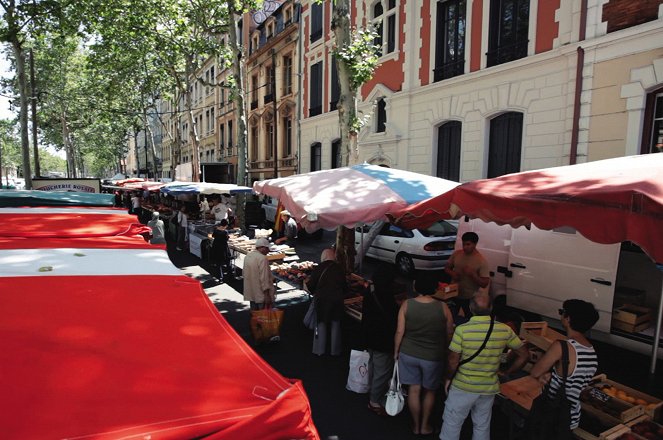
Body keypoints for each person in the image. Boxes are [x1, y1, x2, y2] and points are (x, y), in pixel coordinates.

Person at [440, 294, 529, 440]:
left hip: (463, 386)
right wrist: (506, 372)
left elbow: (452, 361)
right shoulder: (504, 330)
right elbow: (524, 355)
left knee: (452, 423)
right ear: (491, 308)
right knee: (482, 425)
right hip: (488, 388)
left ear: (470, 308)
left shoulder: (462, 330)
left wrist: (448, 378)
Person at [394, 273, 455, 436]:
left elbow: (400, 331)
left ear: (416, 286)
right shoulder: (443, 308)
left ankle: (415, 426)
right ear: (435, 287)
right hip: (433, 356)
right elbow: (450, 333)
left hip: (409, 353)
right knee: (430, 391)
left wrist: (396, 352)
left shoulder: (407, 305)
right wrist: (447, 352)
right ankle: (425, 426)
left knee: (414, 389)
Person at [528, 299, 599, 431]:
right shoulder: (591, 351)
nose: (560, 315)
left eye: (562, 312)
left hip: (552, 415)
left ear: (568, 318)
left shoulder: (562, 347)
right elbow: (573, 379)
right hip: (571, 417)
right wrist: (553, 374)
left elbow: (535, 372)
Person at [362, 266, 399, 416]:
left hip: (369, 336)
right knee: (382, 371)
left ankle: (371, 390)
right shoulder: (389, 298)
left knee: (372, 365)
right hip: (383, 340)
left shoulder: (370, 295)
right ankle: (374, 401)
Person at [306, 250, 346, 356]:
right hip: (337, 300)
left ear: (323, 257)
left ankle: (319, 350)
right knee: (336, 324)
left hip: (322, 300)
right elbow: (345, 286)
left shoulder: (319, 268)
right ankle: (335, 351)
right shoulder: (339, 268)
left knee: (321, 324)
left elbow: (311, 286)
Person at [444, 231, 490, 317]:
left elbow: (484, 284)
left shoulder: (481, 261)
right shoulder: (457, 254)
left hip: (469, 298)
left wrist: (473, 274)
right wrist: (452, 273)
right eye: (463, 244)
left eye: (468, 244)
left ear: (475, 244)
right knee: (450, 316)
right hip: (453, 293)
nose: (465, 247)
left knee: (469, 319)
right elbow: (446, 268)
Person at [242, 237, 275, 310]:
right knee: (264, 317)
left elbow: (244, 273)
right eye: (267, 248)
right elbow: (264, 278)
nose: (268, 251)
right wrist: (267, 295)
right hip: (261, 294)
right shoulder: (262, 258)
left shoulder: (248, 256)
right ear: (262, 248)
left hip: (251, 292)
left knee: (255, 316)